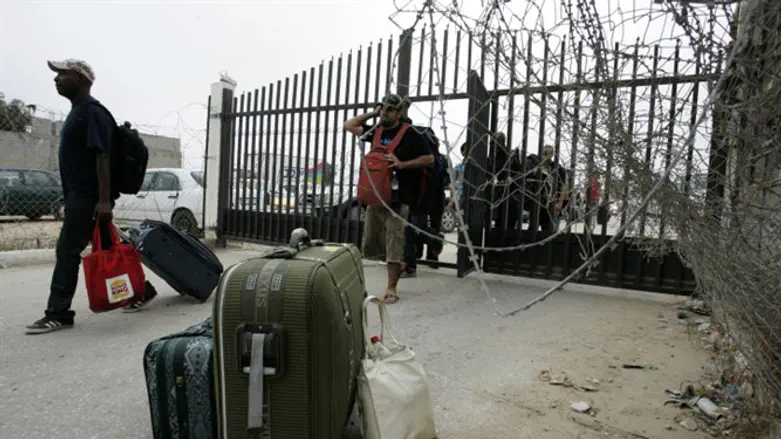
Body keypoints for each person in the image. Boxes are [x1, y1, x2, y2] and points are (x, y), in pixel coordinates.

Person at [24, 59, 152, 334]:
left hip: (89, 196)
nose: (56, 79)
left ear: (81, 79)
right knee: (107, 247)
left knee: (67, 250)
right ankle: (142, 291)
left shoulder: (92, 113)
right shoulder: (78, 111)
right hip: (82, 195)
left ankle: (59, 312)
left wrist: (103, 200)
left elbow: (102, 156)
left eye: (63, 74)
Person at [344, 93, 434, 304]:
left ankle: (392, 287)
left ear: (399, 112)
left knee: (395, 244)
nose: (386, 112)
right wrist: (373, 113)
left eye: (390, 109)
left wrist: (402, 164)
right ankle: (392, 270)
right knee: (371, 244)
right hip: (375, 197)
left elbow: (429, 159)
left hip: (398, 199)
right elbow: (349, 125)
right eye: (383, 108)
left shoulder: (410, 133)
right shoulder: (376, 130)